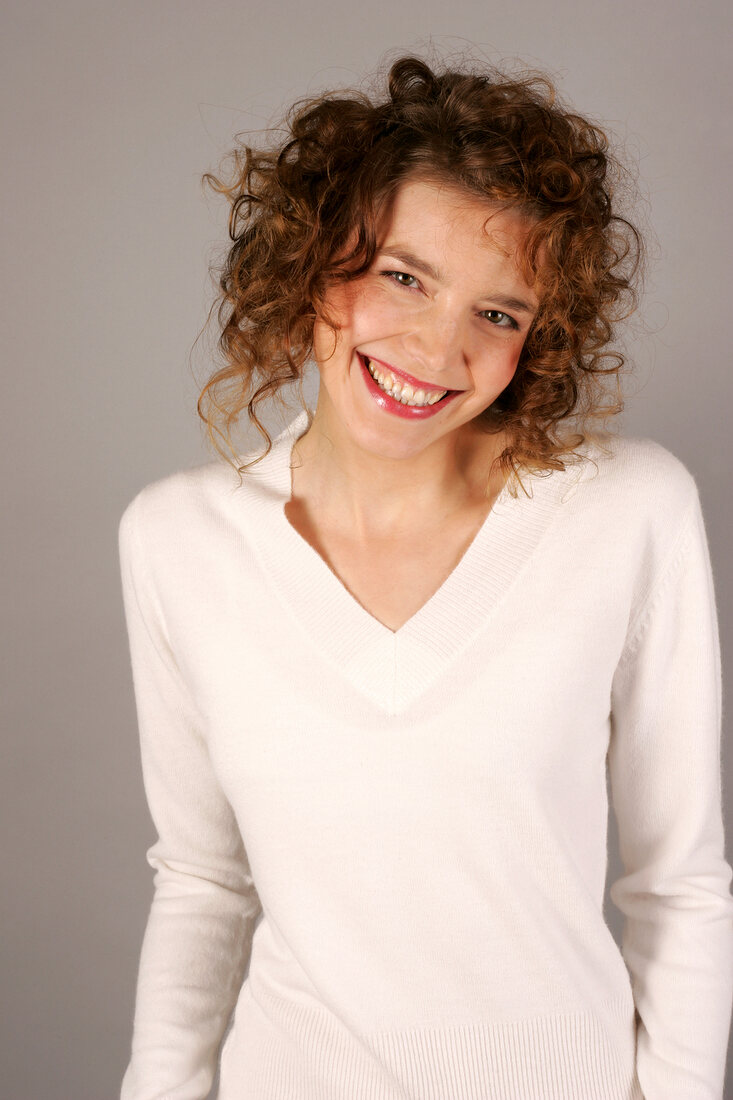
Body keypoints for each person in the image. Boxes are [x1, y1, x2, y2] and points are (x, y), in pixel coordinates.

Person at [117, 54, 733, 1100]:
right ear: (313, 263)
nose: (438, 348)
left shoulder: (631, 510)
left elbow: (678, 885)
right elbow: (203, 879)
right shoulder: (175, 538)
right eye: (402, 276)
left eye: (499, 314)